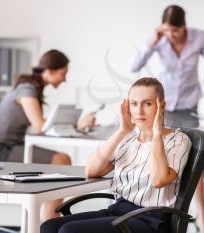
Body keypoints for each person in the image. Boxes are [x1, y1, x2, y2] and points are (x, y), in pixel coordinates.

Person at [40, 77, 192, 233]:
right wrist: (122, 131)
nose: (139, 110)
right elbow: (92, 170)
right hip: (119, 210)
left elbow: (158, 180)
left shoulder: (178, 140)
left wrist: (156, 135)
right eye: (134, 104)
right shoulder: (129, 138)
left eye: (147, 103)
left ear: (162, 106)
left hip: (150, 219)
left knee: (69, 230)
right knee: (49, 226)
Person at [130, 6, 204, 232]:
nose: (173, 35)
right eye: (169, 30)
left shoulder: (200, 37)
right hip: (163, 109)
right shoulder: (160, 39)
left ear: (184, 25)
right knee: (161, 161)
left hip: (189, 108)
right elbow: (133, 65)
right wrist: (152, 41)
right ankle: (158, 212)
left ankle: (200, 218)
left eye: (177, 30)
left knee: (194, 165)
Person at [0, 49, 96, 220]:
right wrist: (77, 124)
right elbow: (40, 126)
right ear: (50, 70)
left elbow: (42, 126)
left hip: (12, 146)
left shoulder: (31, 87)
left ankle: (48, 215)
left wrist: (74, 125)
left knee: (61, 160)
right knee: (62, 160)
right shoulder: (27, 89)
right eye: (63, 73)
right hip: (1, 151)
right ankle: (50, 219)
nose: (65, 79)